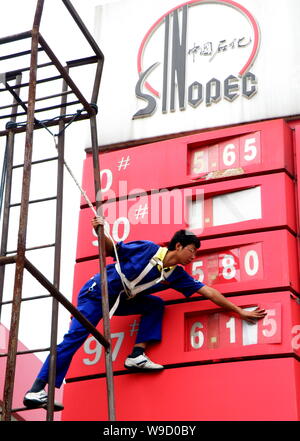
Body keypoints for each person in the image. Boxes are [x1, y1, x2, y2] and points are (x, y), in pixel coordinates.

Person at [23, 216, 266, 410]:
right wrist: (101, 231)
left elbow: (208, 292)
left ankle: (136, 355)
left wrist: (239, 311)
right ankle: (36, 389)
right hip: (97, 294)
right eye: (192, 250)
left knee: (155, 304)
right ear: (178, 246)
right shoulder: (147, 249)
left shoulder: (176, 275)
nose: (194, 256)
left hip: (119, 300)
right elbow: (112, 250)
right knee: (74, 339)